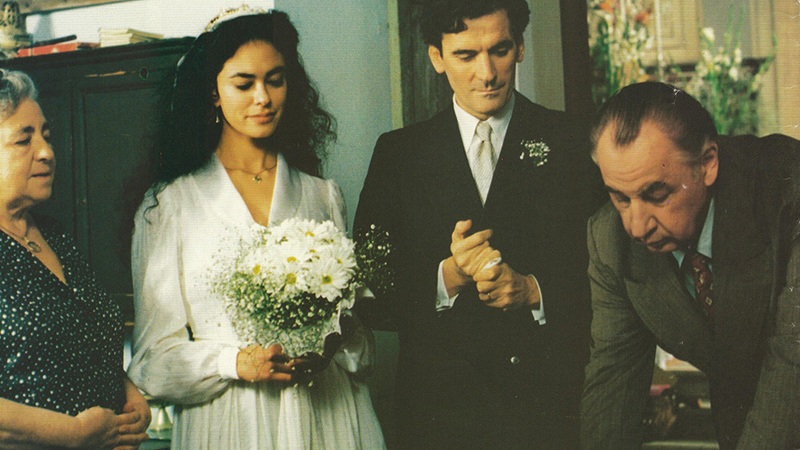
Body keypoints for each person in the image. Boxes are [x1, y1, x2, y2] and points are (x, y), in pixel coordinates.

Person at [125, 8, 385, 449]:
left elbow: (361, 350)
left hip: (328, 414)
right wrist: (234, 363)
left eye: (275, 81)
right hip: (231, 421)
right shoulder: (171, 204)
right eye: (243, 84)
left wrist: (329, 344)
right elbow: (152, 362)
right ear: (213, 92)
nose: (262, 98)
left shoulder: (322, 195)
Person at [354, 0, 603, 447]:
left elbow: (611, 279)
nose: (486, 73)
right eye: (466, 55)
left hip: (545, 410)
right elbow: (369, 293)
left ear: (520, 47)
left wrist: (533, 291)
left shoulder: (571, 141)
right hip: (437, 417)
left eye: (499, 50)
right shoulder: (398, 154)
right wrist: (448, 277)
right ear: (436, 57)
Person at [581, 81, 800, 449]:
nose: (636, 227)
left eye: (656, 194)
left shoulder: (788, 189)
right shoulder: (610, 241)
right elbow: (612, 389)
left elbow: (792, 364)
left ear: (707, 163)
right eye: (620, 199)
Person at [0, 69, 151, 449]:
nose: (47, 152)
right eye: (24, 140)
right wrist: (71, 433)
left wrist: (128, 394)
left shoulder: (54, 236)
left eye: (46, 136)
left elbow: (78, 343)